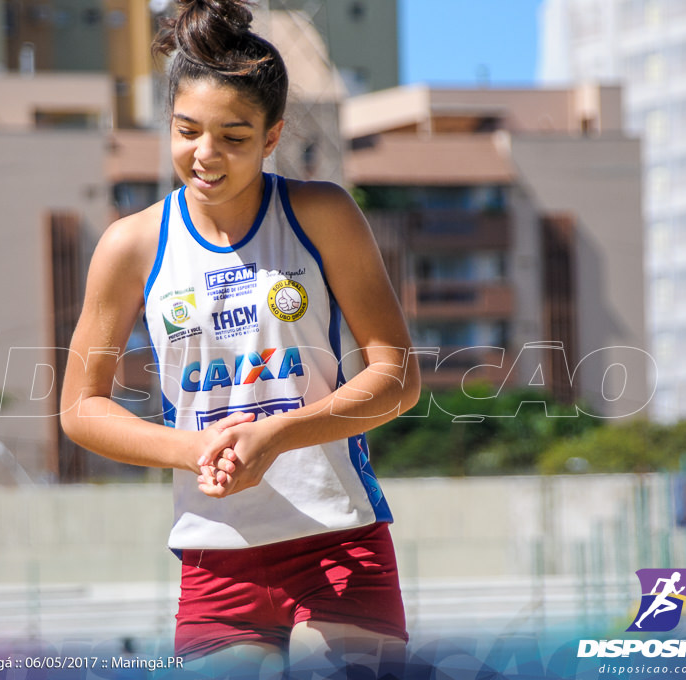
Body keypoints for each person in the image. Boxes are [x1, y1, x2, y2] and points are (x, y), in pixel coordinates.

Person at [60, 0, 420, 676]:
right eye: (187, 130)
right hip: (217, 550)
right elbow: (81, 409)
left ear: (272, 134)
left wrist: (275, 436)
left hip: (339, 539)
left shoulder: (322, 215)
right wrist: (196, 449)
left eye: (233, 135)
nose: (206, 154)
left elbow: (397, 378)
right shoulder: (130, 245)